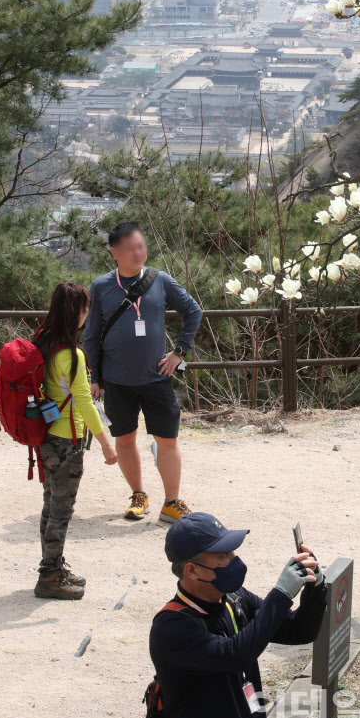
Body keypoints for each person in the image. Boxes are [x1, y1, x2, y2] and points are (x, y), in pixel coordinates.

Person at [149, 512, 327, 718]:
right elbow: (235, 655)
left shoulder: (234, 599)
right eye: (223, 555)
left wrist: (316, 588)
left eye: (232, 551)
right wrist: (281, 594)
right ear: (192, 571)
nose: (234, 560)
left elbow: (298, 631)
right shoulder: (171, 628)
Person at [83, 222, 203, 524]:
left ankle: (172, 503)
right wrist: (93, 377)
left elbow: (193, 311)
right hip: (117, 380)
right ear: (114, 253)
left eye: (141, 246)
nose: (138, 253)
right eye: (130, 248)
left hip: (156, 377)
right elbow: (91, 334)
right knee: (124, 440)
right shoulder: (101, 286)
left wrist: (179, 352)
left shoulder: (159, 280)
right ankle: (138, 495)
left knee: (168, 441)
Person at [33, 281, 118, 600]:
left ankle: (52, 566)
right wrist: (106, 443)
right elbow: (83, 399)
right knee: (61, 510)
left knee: (50, 505)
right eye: (85, 308)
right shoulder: (72, 354)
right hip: (67, 441)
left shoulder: (43, 342)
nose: (87, 314)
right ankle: (50, 576)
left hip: (46, 437)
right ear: (76, 312)